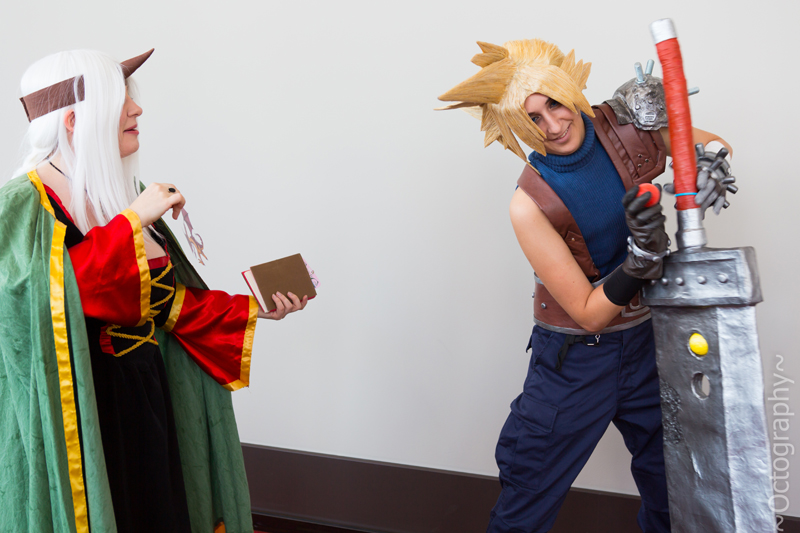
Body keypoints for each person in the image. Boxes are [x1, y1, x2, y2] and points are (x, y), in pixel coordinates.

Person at [0, 49, 307, 533]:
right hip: (82, 405)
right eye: (120, 100)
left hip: (145, 392)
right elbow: (44, 304)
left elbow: (163, 304)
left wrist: (252, 309)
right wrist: (132, 221)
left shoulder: (122, 194)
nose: (136, 109)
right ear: (75, 121)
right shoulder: (22, 206)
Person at [438, 39, 734, 532]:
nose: (554, 125)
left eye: (555, 104)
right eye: (533, 118)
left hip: (649, 343)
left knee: (677, 486)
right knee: (527, 494)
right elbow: (589, 312)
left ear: (569, 90)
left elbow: (712, 144)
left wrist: (708, 167)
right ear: (516, 126)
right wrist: (642, 259)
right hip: (577, 360)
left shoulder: (624, 124)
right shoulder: (529, 203)